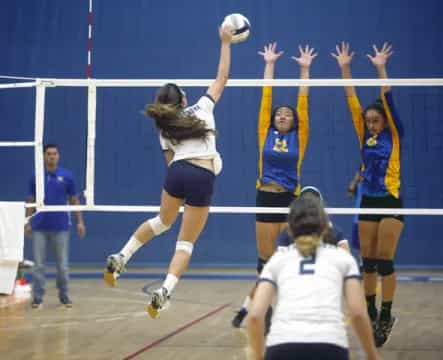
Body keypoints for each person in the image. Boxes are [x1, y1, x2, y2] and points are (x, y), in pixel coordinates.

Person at [103, 25, 234, 319]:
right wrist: (225, 43)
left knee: (163, 221)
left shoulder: (164, 128)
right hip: (201, 177)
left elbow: (171, 163)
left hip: (177, 174)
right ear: (184, 101)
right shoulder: (202, 109)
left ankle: (121, 256)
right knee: (185, 242)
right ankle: (164, 291)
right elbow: (222, 78)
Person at [232, 42, 317, 328]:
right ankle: (264, 312)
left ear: (294, 121)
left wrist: (304, 70)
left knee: (287, 259)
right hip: (265, 197)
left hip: (288, 200)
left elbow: (303, 102)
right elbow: (265, 98)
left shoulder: (300, 136)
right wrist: (269, 64)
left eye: (287, 114)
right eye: (278, 113)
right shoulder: (263, 132)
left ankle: (290, 311)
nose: (281, 115)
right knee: (265, 261)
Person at [332, 41, 404, 347]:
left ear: (385, 122)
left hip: (390, 200)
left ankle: (387, 314)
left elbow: (388, 99)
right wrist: (344, 68)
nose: (371, 124)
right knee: (368, 262)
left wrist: (380, 68)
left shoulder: (394, 135)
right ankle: (372, 310)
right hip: (368, 201)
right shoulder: (365, 134)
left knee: (385, 260)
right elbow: (352, 100)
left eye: (376, 120)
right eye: (369, 121)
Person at [247, 194, 380, 360]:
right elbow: (358, 313)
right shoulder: (343, 259)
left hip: (282, 346)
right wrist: (373, 356)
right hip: (330, 345)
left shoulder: (277, 261)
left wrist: (258, 356)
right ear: (325, 226)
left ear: (290, 228)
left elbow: (254, 316)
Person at [25, 144, 86, 308]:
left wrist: (80, 221)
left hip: (60, 227)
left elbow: (74, 200)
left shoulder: (67, 176)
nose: (52, 156)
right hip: (39, 227)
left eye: (54, 154)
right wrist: (27, 222)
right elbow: (30, 200)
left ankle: (64, 295)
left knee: (62, 266)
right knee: (38, 266)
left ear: (58, 156)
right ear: (44, 156)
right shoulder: (36, 176)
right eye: (49, 154)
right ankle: (37, 297)